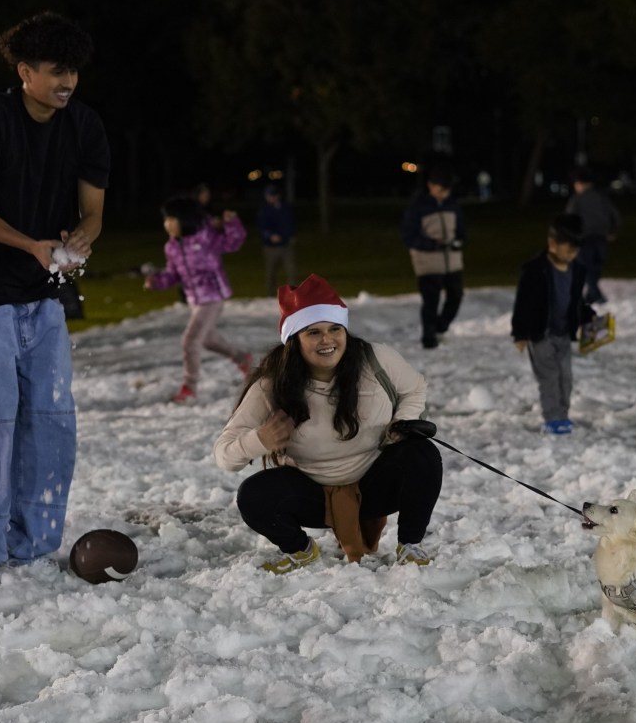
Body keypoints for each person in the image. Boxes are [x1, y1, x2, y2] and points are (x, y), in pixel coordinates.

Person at [0, 11, 109, 587]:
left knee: (52, 422)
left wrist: (81, 237)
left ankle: (34, 546)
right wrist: (30, 246)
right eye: (56, 71)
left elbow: (92, 209)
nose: (67, 81)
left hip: (44, 300)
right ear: (25, 72)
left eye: (74, 72)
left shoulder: (84, 125)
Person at [214, 274, 442, 572]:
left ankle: (410, 545)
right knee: (253, 495)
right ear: (294, 341)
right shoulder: (271, 387)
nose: (327, 340)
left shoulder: (376, 359)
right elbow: (224, 456)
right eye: (313, 332)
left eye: (335, 329)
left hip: (376, 483)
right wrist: (259, 441)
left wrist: (403, 421)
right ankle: (301, 551)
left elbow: (415, 388)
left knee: (422, 453)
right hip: (311, 495)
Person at [144, 195, 254, 403]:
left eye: (171, 219)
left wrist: (232, 223)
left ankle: (189, 388)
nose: (167, 224)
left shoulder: (206, 237)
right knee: (208, 339)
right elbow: (173, 274)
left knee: (191, 341)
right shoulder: (172, 246)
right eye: (166, 219)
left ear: (185, 219)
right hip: (195, 299)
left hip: (212, 297)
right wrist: (157, 281)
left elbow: (233, 242)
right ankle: (243, 358)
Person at [512, 213, 597, 435]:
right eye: (568, 250)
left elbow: (577, 301)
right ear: (552, 244)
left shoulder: (577, 271)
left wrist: (588, 317)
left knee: (565, 377)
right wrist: (520, 333)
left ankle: (563, 414)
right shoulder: (534, 270)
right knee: (549, 377)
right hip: (540, 333)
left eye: (575, 251)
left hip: (563, 333)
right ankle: (553, 418)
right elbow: (522, 303)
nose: (572, 256)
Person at [401, 163, 466, 349]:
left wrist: (460, 241)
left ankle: (440, 328)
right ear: (430, 185)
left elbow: (461, 231)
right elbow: (408, 236)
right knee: (431, 301)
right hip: (427, 263)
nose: (445, 191)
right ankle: (429, 339)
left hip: (452, 261)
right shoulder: (418, 207)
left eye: (448, 188)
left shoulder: (453, 205)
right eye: (441, 187)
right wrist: (432, 244)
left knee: (456, 296)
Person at [565, 167, 620, 305]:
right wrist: (612, 231)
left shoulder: (577, 199)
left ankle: (596, 295)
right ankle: (590, 295)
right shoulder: (602, 197)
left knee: (586, 267)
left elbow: (569, 219)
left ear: (579, 183)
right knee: (596, 266)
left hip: (584, 238)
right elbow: (615, 215)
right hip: (601, 237)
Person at [255, 181, 297, 295]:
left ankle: (292, 296)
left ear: (278, 195)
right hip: (270, 247)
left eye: (273, 195)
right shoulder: (264, 210)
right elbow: (262, 227)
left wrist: (285, 236)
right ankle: (270, 295)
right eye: (269, 195)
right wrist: (270, 236)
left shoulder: (286, 208)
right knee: (270, 273)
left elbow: (290, 225)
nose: (271, 198)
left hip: (285, 245)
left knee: (291, 271)